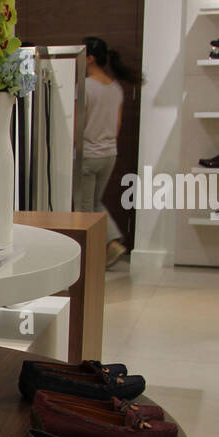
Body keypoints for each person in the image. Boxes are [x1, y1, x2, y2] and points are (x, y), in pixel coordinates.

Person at [77, 36, 138, 267]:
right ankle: (110, 244)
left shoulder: (85, 87)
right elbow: (118, 126)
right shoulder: (115, 89)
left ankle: (91, 257)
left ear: (90, 58)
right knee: (94, 203)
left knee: (84, 209)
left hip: (88, 155)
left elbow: (77, 127)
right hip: (109, 154)